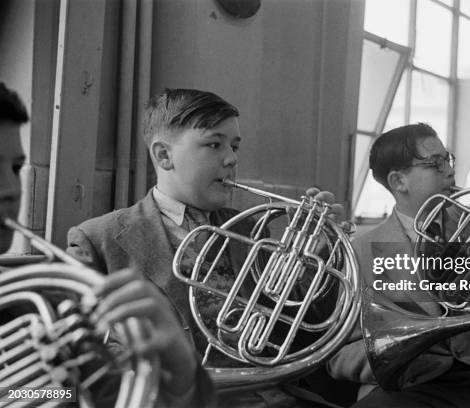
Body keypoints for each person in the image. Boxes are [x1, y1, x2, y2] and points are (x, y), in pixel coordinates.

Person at [66, 88, 344, 407]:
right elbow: (81, 353)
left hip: (270, 395)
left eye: (234, 146)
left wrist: (320, 253)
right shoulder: (99, 237)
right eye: (214, 144)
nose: (231, 158)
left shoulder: (252, 227)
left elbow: (298, 327)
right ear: (163, 156)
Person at [0, 82, 213, 407]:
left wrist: (182, 376)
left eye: (15, 168)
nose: (11, 189)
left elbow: (96, 397)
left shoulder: (31, 308)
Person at [328, 124, 470, 408]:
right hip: (417, 386)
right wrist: (396, 358)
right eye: (436, 163)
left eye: (449, 159)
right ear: (399, 181)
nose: (450, 171)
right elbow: (341, 353)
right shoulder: (360, 251)